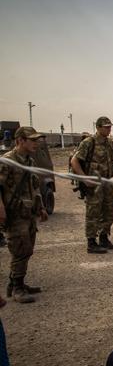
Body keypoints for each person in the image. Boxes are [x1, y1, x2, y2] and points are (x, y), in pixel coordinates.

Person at [0, 127, 48, 304]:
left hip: (28, 213)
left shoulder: (28, 161)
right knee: (20, 250)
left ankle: (16, 283)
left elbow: (34, 187)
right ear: (20, 140)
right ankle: (17, 288)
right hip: (14, 213)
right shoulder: (7, 161)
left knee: (27, 249)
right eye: (32, 140)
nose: (36, 143)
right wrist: (1, 209)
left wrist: (41, 207)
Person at [70, 116, 113, 254]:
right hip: (93, 184)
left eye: (110, 127)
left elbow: (110, 161)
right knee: (93, 212)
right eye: (106, 127)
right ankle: (91, 242)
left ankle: (104, 238)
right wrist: (84, 178)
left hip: (107, 183)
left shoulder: (110, 143)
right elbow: (74, 161)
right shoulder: (89, 142)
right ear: (98, 127)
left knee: (109, 210)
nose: (109, 129)